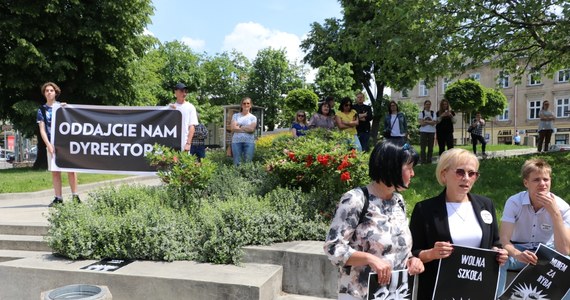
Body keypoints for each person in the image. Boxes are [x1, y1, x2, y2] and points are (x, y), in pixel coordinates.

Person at [324, 140, 425, 300]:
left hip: (396, 293)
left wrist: (412, 260)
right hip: (359, 294)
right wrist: (370, 259)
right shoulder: (355, 200)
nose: (412, 174)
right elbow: (333, 248)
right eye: (409, 168)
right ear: (392, 167)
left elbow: (397, 246)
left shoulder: (398, 201)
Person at [409, 148, 508, 300]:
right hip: (439, 290)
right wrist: (432, 253)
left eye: (472, 173)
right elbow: (413, 252)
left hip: (477, 290)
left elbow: (495, 243)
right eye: (460, 172)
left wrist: (499, 254)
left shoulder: (486, 205)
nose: (466, 178)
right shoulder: (425, 209)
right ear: (444, 174)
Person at [497, 158, 570, 296]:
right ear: (526, 183)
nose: (542, 184)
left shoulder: (562, 207)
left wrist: (555, 214)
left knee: (568, 267)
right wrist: (517, 254)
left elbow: (564, 250)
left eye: (546, 179)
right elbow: (504, 239)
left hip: (547, 253)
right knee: (499, 258)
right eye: (536, 180)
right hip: (518, 250)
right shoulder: (514, 202)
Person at [37, 82, 80, 206]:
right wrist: (48, 145)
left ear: (56, 92)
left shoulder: (62, 107)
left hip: (65, 144)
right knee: (55, 172)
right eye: (47, 91)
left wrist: (67, 109)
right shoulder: (41, 110)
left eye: (51, 90)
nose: (49, 92)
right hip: (52, 145)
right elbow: (42, 130)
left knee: (71, 170)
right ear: (44, 93)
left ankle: (75, 196)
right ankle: (58, 198)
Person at [169, 83, 198, 151]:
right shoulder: (171, 107)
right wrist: (168, 107)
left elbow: (192, 126)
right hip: (171, 144)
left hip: (183, 144)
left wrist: (188, 143)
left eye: (185, 91)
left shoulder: (190, 107)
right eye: (182, 91)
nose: (184, 94)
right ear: (175, 92)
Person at [230, 97, 257, 166]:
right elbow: (233, 128)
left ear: (250, 105)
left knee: (248, 162)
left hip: (249, 142)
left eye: (248, 103)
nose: (246, 105)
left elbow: (251, 129)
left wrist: (240, 126)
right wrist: (246, 128)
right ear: (241, 105)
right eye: (244, 103)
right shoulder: (235, 116)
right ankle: (236, 176)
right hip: (236, 142)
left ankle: (246, 177)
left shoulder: (253, 117)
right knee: (237, 163)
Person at [418, 100, 437, 164]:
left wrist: (425, 121)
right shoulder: (421, 113)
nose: (428, 105)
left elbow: (434, 123)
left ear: (430, 105)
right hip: (423, 131)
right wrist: (430, 122)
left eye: (429, 104)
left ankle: (429, 161)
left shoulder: (433, 113)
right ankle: (423, 161)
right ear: (424, 105)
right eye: (427, 104)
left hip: (432, 131)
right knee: (423, 148)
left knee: (430, 147)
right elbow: (421, 124)